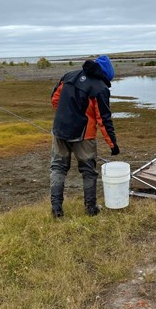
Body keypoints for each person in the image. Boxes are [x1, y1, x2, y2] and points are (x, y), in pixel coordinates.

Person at [50, 54, 119, 218]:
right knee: (88, 171)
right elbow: (104, 119)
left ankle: (56, 210)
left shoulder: (69, 76)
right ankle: (91, 208)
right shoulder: (100, 88)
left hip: (59, 129)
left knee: (58, 168)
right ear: (107, 73)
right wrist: (113, 144)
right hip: (84, 135)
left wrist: (66, 116)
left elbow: (55, 99)